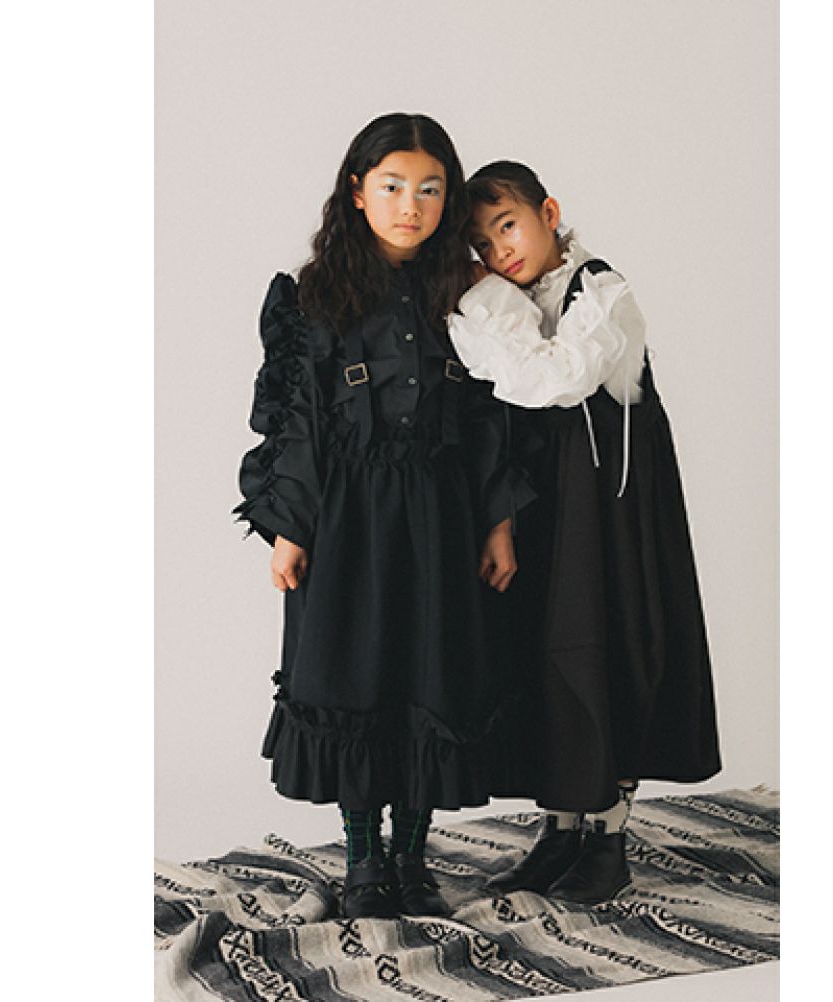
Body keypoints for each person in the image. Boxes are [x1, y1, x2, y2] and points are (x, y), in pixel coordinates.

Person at [233, 119, 535, 920]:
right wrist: (290, 526)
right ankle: (364, 859)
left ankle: (413, 857)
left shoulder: (470, 295)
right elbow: (297, 418)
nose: (411, 206)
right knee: (356, 676)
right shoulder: (313, 296)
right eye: (393, 186)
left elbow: (489, 415)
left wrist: (498, 521)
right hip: (347, 516)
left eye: (430, 189)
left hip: (441, 509)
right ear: (358, 191)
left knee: (432, 672)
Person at [448, 161, 721, 905]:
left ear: (548, 212)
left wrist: (481, 298)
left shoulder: (601, 288)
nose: (499, 250)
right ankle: (560, 831)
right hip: (550, 505)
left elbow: (558, 378)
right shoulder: (515, 301)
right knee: (549, 654)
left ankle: (607, 840)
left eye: (507, 226)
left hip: (616, 508)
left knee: (613, 645)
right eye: (482, 243)